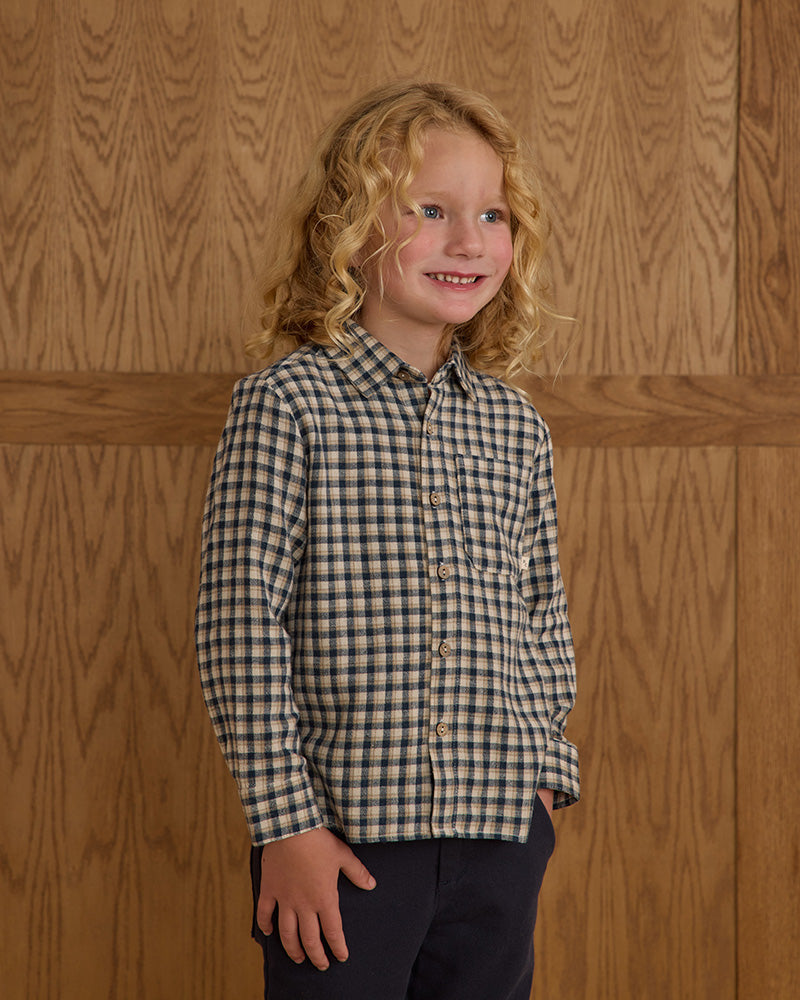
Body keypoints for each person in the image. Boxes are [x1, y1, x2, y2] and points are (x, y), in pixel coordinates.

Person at [195, 80, 579, 1000]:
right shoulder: (289, 406)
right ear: (352, 225)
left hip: (497, 840)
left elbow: (541, 615)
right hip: (342, 849)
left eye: (492, 214)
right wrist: (287, 828)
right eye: (431, 210)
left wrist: (543, 784)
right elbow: (240, 627)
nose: (467, 241)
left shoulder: (514, 427)